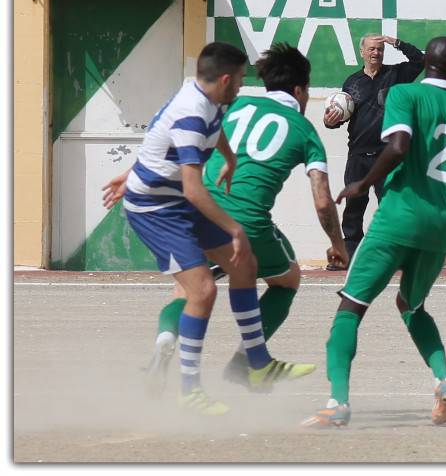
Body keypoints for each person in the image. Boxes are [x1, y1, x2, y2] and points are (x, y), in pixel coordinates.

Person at [101, 42, 316, 416]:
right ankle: (190, 390)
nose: (244, 87)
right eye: (241, 80)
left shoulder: (206, 96)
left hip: (169, 198)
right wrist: (233, 229)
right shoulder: (191, 113)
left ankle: (258, 364)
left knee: (244, 264)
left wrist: (230, 160)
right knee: (201, 289)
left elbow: (183, 138)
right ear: (227, 79)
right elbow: (193, 188)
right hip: (158, 209)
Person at [303, 36, 446, 428]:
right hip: (441, 224)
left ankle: (337, 402)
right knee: (410, 305)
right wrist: (445, 177)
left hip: (400, 214)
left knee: (351, 307)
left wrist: (362, 184)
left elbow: (398, 145)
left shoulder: (404, 94)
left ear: (425, 63)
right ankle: (445, 380)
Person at [139, 43, 351, 394]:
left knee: (188, 290)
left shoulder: (234, 105)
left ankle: (164, 340)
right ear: (300, 91)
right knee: (287, 280)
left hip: (199, 211)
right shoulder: (303, 129)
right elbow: (323, 201)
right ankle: (246, 362)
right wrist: (337, 244)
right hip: (246, 224)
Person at [323, 34, 424, 261]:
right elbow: (342, 116)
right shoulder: (352, 82)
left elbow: (420, 62)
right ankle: (351, 253)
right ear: (362, 52)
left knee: (390, 207)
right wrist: (331, 122)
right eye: (371, 49)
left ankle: (394, 254)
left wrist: (398, 42)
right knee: (353, 208)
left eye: (379, 49)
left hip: (386, 155)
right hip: (358, 155)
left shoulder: (396, 75)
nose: (376, 53)